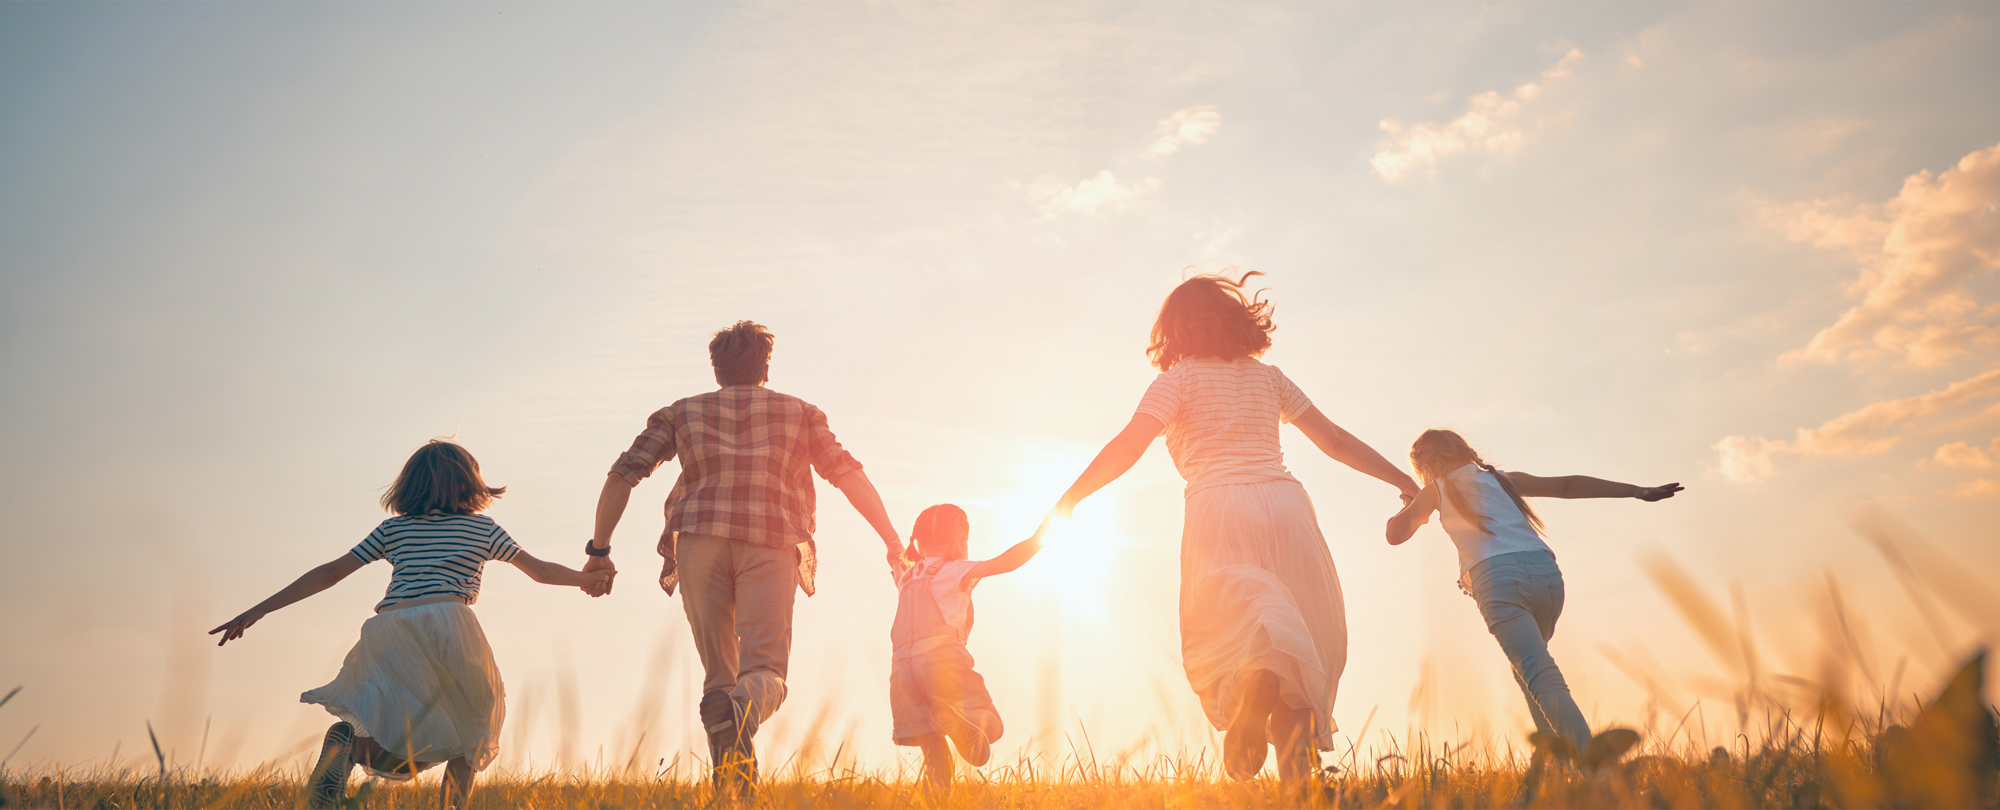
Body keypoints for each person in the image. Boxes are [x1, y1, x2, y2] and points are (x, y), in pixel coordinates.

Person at [1045, 271, 1419, 781]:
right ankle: (1300, 781)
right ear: (1236, 320)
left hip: (1218, 507)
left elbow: (1128, 446)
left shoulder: (1175, 382)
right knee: (1302, 638)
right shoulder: (1269, 378)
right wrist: (1403, 480)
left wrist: (1069, 500)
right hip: (1287, 506)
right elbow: (1334, 441)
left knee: (1237, 626)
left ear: (1173, 331)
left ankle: (1254, 685)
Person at [582, 320, 907, 792]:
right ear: (766, 368)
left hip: (699, 540)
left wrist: (600, 550)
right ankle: (737, 743)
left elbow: (623, 475)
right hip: (770, 538)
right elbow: (846, 474)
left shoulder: (681, 413)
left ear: (716, 370)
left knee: (721, 674)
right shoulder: (800, 413)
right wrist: (891, 538)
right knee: (765, 671)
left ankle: (734, 790)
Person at [209, 440, 608, 810]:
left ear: (408, 486)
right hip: (449, 622)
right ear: (470, 482)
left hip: (390, 627)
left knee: (397, 725)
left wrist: (259, 609)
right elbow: (539, 571)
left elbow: (330, 573)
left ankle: (349, 750)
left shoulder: (393, 530)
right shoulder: (482, 528)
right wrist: (588, 577)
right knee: (473, 726)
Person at [1384, 428, 1680, 765]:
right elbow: (1568, 486)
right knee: (1528, 670)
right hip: (1547, 578)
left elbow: (1394, 535)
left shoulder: (1434, 491)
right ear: (1464, 450)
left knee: (1539, 674)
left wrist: (1410, 504)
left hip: (1498, 581)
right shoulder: (1503, 480)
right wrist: (1637, 491)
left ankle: (1599, 773)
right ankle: (1558, 766)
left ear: (1424, 465)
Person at [889, 504, 1045, 789]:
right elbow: (1006, 562)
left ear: (919, 542)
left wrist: (894, 549)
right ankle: (957, 717)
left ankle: (937, 800)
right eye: (965, 540)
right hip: (940, 661)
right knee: (992, 726)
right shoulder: (955, 570)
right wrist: (1041, 536)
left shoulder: (908, 578)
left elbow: (895, 564)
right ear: (959, 541)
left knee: (932, 748)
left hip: (902, 671)